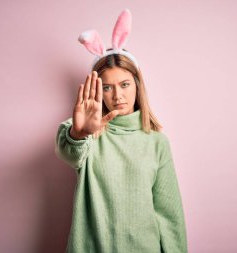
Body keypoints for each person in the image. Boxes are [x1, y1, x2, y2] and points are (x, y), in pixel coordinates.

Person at [55, 9, 188, 253]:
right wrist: (79, 134)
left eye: (125, 85)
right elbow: (69, 153)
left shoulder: (157, 142)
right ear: (97, 89)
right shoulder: (85, 132)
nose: (117, 95)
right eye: (107, 87)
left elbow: (169, 215)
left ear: (137, 85)